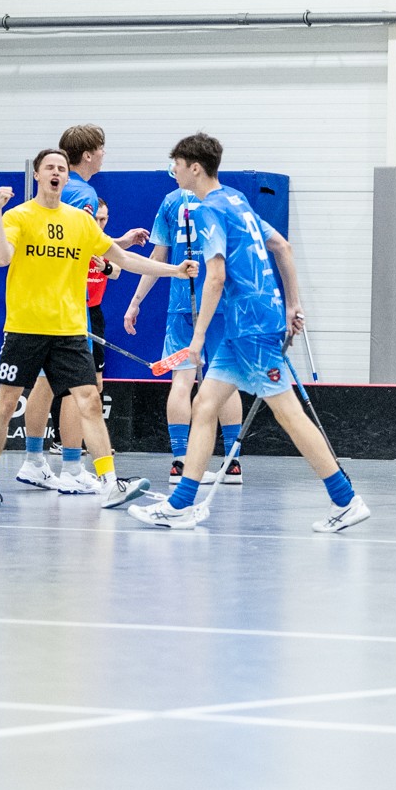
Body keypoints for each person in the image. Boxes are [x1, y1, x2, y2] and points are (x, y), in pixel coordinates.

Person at [130, 133, 366, 533]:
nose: (174, 172)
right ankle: (181, 504)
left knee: (289, 414)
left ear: (195, 168)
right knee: (205, 405)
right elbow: (283, 247)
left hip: (251, 327)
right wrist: (292, 304)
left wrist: (198, 338)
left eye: (178, 165)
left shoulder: (208, 210)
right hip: (247, 326)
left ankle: (346, 500)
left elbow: (215, 276)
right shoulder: (237, 200)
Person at [0, 149, 189, 509]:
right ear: (38, 176)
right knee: (7, 403)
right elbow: (0, 257)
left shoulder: (81, 221)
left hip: (69, 331)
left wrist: (174, 270)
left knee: (89, 400)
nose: (56, 172)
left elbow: (123, 259)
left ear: (65, 176)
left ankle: (110, 482)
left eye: (61, 168)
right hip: (25, 328)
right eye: (49, 168)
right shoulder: (18, 216)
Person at [17, 124, 144, 494]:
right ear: (88, 154)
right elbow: (79, 245)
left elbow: (71, 237)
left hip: (38, 302)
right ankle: (73, 468)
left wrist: (118, 242)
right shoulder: (84, 193)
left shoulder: (61, 192)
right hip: (68, 304)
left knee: (44, 383)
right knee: (79, 387)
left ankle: (33, 461)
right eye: (101, 149)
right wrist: (113, 262)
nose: (103, 155)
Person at [125, 181, 247, 484]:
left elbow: (158, 257)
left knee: (181, 381)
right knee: (226, 380)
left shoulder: (170, 201)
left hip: (183, 305)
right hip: (221, 304)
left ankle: (180, 463)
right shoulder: (229, 199)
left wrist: (136, 301)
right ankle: (232, 464)